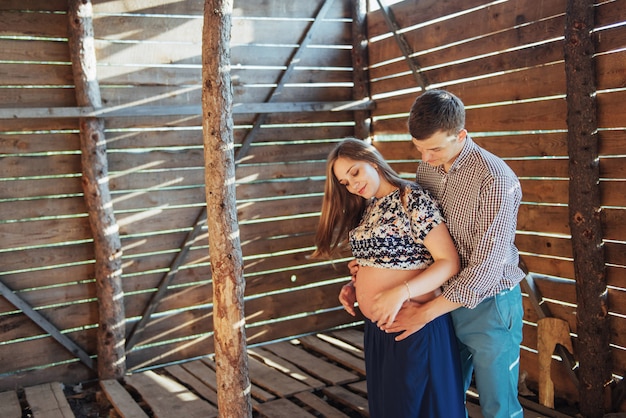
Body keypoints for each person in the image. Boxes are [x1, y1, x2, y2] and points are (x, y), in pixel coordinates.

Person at [343, 89, 526, 418]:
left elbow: (486, 267)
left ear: (462, 135)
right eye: (419, 148)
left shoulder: (496, 179)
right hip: (442, 299)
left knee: (499, 406)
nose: (424, 158)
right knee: (447, 400)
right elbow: (419, 236)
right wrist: (373, 267)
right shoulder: (428, 168)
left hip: (489, 303)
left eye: (435, 148)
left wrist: (426, 313)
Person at [314, 138, 465, 418]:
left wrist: (401, 292)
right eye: (345, 182)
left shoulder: (411, 198)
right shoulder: (370, 207)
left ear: (372, 160)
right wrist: (354, 285)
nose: (353, 184)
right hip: (379, 331)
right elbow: (386, 261)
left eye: (355, 172)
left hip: (414, 326)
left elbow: (448, 262)